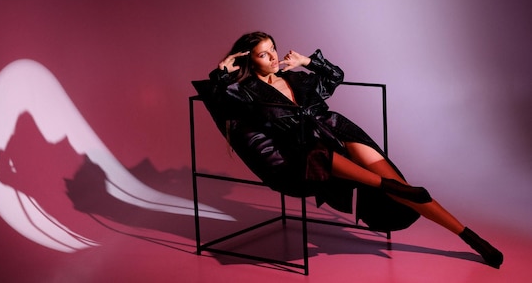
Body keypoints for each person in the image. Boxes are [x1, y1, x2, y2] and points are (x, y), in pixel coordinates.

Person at [203, 31, 503, 269]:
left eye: (273, 49)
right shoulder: (245, 92)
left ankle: (471, 238)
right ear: (250, 59)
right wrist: (222, 71)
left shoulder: (295, 77)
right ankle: (389, 187)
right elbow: (220, 103)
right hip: (305, 145)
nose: (272, 57)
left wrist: (308, 62)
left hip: (337, 127)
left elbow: (335, 77)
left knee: (407, 189)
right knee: (321, 157)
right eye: (263, 54)